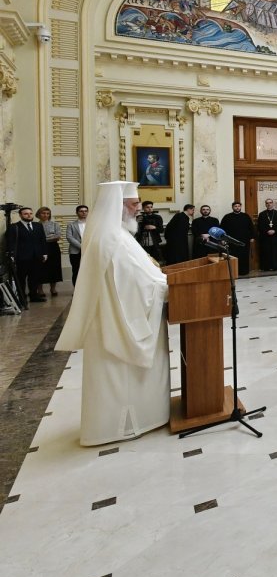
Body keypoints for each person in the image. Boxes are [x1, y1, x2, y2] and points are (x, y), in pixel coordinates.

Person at [55, 181, 170, 446]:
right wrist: (162, 285)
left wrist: (159, 279)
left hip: (117, 315)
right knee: (120, 378)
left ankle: (139, 418)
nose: (138, 209)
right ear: (117, 206)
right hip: (116, 319)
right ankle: (124, 425)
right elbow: (129, 281)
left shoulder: (117, 233)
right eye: (133, 204)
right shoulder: (110, 238)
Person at [6, 206, 47, 304]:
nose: (29, 215)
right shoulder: (14, 227)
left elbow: (43, 240)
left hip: (36, 257)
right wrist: (11, 255)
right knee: (21, 279)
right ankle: (21, 297)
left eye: (30, 213)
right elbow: (10, 242)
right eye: (26, 214)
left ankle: (34, 296)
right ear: (20, 215)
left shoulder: (38, 225)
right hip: (22, 257)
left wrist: (45, 253)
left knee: (34, 277)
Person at [34, 207, 63, 297]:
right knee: (39, 268)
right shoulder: (34, 225)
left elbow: (57, 236)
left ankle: (53, 288)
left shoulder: (55, 224)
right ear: (38, 214)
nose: (46, 215)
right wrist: (49, 237)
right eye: (43, 213)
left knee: (54, 268)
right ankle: (40, 290)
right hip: (40, 248)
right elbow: (34, 239)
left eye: (47, 213)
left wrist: (43, 239)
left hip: (53, 248)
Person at [220, 201, 255, 276]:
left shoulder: (246, 216)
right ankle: (233, 272)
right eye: (235, 206)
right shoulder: (227, 217)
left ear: (240, 207)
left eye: (238, 206)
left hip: (244, 240)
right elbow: (222, 228)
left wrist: (252, 237)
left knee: (244, 256)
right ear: (232, 207)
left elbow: (251, 227)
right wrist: (223, 239)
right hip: (231, 241)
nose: (237, 208)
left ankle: (244, 271)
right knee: (232, 256)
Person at [256, 199, 277, 272]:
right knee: (266, 252)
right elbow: (260, 226)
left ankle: (276, 266)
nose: (269, 204)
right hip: (265, 237)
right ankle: (266, 267)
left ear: (273, 204)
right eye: (267, 203)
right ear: (265, 204)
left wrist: (274, 231)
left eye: (270, 203)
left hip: (275, 237)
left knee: (275, 252)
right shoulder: (262, 214)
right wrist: (267, 231)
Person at [66, 204, 88, 287]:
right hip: (75, 251)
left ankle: (88, 290)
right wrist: (82, 247)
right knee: (76, 271)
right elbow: (69, 237)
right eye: (81, 211)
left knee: (89, 271)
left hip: (90, 250)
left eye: (85, 211)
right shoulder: (71, 225)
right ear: (77, 213)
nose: (84, 213)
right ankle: (76, 291)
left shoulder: (92, 224)